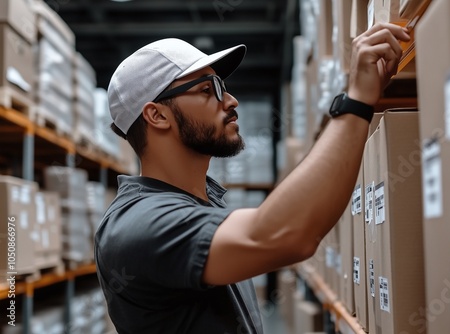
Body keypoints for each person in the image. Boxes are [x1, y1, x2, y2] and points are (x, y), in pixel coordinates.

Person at [95, 23, 410, 334]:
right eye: (209, 89)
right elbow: (285, 235)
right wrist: (355, 102)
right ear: (157, 115)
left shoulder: (199, 201)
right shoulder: (139, 224)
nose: (231, 101)